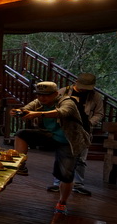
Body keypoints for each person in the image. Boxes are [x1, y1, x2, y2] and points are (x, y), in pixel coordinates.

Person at [13, 81, 91, 214]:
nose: (42, 98)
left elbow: (62, 112)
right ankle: (21, 164)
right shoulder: (39, 102)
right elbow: (27, 108)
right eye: (39, 95)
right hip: (51, 136)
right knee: (21, 134)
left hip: (69, 141)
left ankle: (62, 203)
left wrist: (38, 114)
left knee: (66, 175)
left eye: (46, 95)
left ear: (55, 94)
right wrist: (18, 112)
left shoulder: (67, 101)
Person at [47, 73, 104, 196]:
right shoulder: (64, 92)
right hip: (65, 130)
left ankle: (78, 184)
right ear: (76, 82)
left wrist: (90, 123)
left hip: (83, 131)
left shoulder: (95, 96)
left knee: (81, 159)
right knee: (62, 156)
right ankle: (58, 183)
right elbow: (54, 108)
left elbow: (99, 113)